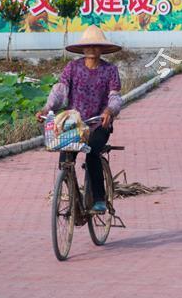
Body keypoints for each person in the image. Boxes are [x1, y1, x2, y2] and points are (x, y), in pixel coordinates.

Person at [37, 25, 122, 214]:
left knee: (92, 153)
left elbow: (115, 96)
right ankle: (72, 196)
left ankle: (99, 198)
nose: (92, 50)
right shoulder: (73, 68)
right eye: (88, 46)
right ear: (83, 49)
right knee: (64, 158)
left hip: (98, 123)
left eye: (96, 46)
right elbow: (60, 91)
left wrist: (110, 110)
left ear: (102, 49)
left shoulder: (110, 70)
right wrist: (47, 108)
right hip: (74, 123)